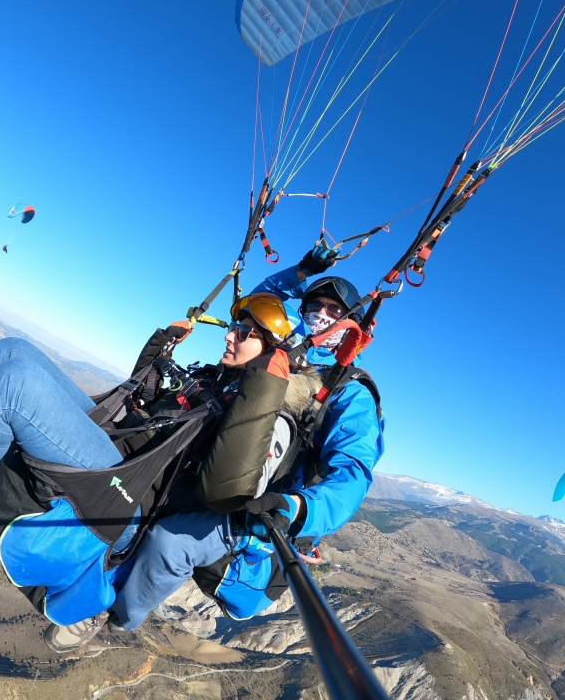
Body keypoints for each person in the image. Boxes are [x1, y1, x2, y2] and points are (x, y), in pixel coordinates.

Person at [0, 292, 296, 652]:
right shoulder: (217, 381)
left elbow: (223, 488)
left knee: (14, 387)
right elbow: (135, 405)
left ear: (274, 352)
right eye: (236, 324)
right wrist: (161, 346)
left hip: (125, 503)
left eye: (247, 331)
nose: (231, 333)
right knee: (11, 352)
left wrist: (267, 386)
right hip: (117, 456)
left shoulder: (262, 417)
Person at [109, 247, 384, 629]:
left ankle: (117, 618)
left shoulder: (348, 391)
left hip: (256, 507)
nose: (322, 316)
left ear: (352, 326)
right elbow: (256, 304)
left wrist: (302, 510)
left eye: (334, 312)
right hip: (215, 464)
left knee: (169, 543)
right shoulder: (284, 349)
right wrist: (301, 271)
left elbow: (352, 470)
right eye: (314, 307)